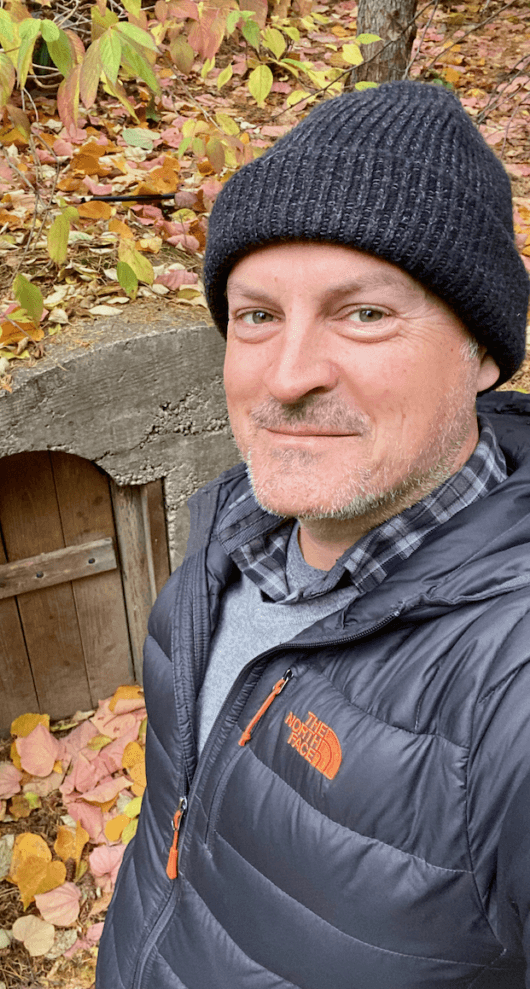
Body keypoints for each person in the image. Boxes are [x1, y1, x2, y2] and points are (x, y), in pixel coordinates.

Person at [96, 80, 530, 989]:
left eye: (364, 313)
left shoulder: (507, 685)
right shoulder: (228, 540)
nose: (287, 377)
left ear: (482, 352)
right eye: (257, 315)